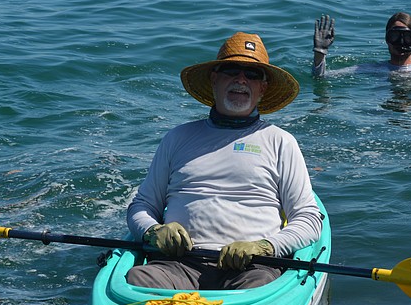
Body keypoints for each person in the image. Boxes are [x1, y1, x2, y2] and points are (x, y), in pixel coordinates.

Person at [125, 31, 323, 290]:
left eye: (252, 74)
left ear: (262, 88)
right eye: (231, 70)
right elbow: (141, 206)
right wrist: (153, 231)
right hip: (176, 265)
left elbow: (309, 220)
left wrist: (264, 246)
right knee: (137, 279)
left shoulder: (281, 141)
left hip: (253, 269)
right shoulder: (177, 137)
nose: (241, 79)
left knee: (258, 287)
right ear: (214, 80)